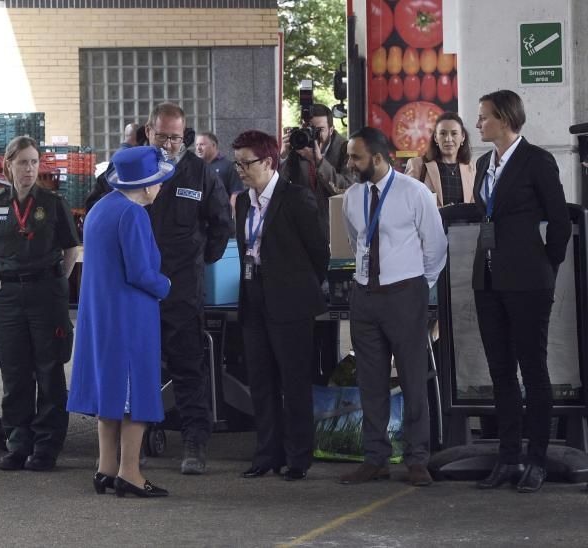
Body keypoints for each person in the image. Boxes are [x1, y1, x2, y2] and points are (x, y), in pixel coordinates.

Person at [463, 90, 569, 493]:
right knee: (501, 372)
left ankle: (536, 460)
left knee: (534, 371)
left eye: (483, 117)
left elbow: (559, 222)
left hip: (527, 282)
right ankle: (508, 458)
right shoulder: (487, 162)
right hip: (488, 280)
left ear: (505, 118)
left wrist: (546, 267)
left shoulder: (537, 160)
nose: (478, 124)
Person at [339, 127, 447, 487]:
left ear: (379, 158)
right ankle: (375, 458)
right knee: (370, 381)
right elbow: (357, 242)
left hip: (405, 295)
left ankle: (417, 459)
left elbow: (436, 247)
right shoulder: (352, 197)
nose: (350, 163)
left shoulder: (415, 193)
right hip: (364, 297)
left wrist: (418, 285)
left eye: (356, 157)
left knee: (413, 380)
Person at [68, 146, 172, 497]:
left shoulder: (100, 208)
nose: (160, 187)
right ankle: (130, 472)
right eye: (157, 181)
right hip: (131, 317)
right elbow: (141, 272)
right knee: (135, 395)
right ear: (144, 186)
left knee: (108, 392)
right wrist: (166, 285)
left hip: (100, 316)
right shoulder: (134, 215)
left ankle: (105, 468)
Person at [0, 136, 80, 472]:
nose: (30, 169)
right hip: (7, 296)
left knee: (49, 370)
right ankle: (18, 442)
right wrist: (10, 272)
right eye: (23, 162)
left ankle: (46, 446)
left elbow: (71, 250)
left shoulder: (53, 202)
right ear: (8, 166)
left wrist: (52, 280)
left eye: (34, 162)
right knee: (14, 370)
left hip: (46, 294)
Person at [231, 130, 328, 482]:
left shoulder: (296, 198)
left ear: (269, 162)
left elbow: (319, 253)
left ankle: (298, 456)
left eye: (247, 162)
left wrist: (298, 286)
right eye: (236, 162)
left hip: (291, 301)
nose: (240, 169)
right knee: (260, 380)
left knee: (294, 381)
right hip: (253, 296)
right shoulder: (243, 201)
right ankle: (266, 454)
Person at [144, 102, 232, 475]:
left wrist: (199, 261)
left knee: (187, 365)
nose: (167, 144)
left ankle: (195, 440)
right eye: (162, 136)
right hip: (139, 287)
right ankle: (140, 434)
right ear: (149, 132)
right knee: (140, 365)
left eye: (175, 137)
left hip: (182, 287)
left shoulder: (200, 173)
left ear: (186, 136)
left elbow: (221, 225)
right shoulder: (132, 167)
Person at [281, 103, 354, 242]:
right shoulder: (297, 146)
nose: (313, 134)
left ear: (331, 130)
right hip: (301, 227)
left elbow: (347, 188)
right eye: (308, 129)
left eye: (319, 130)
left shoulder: (346, 149)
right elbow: (278, 186)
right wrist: (283, 156)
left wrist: (319, 161)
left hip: (335, 226)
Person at [405, 112, 476, 207]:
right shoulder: (417, 165)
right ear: (435, 137)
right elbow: (408, 201)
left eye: (454, 133)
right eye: (443, 133)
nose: (448, 139)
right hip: (429, 221)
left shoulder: (472, 168)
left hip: (462, 221)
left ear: (462, 137)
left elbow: (475, 205)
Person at [196, 132, 244, 197]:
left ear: (213, 145)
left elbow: (236, 193)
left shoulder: (229, 166)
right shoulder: (195, 167)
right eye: (197, 145)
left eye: (202, 144)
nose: (198, 148)